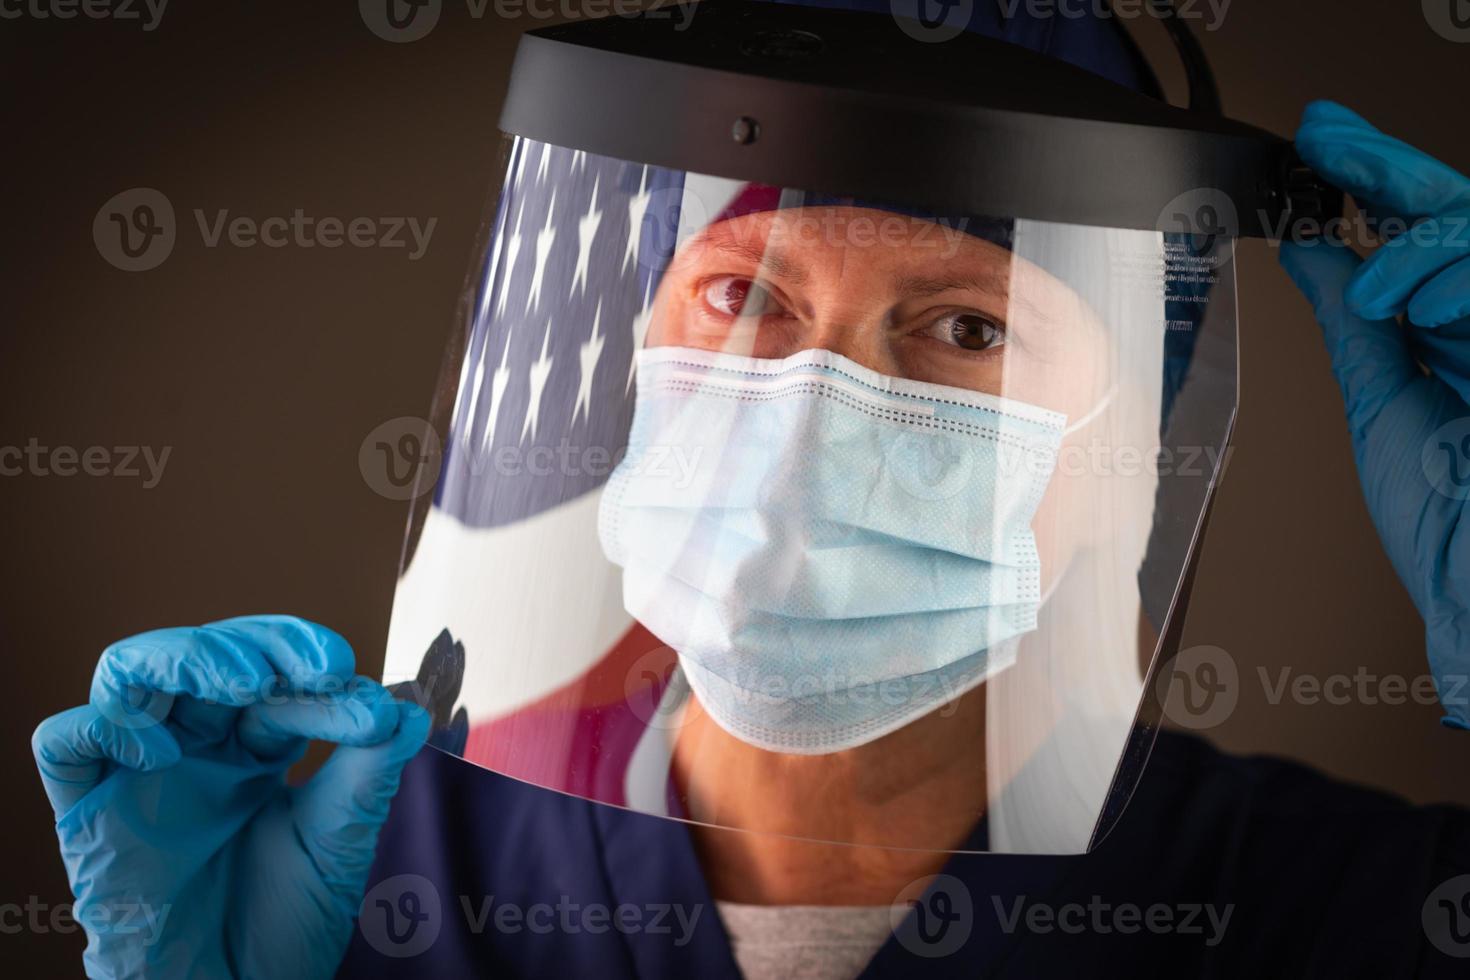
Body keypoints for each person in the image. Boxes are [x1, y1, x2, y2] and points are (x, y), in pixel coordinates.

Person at [30, 6, 1470, 978]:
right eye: (740, 297)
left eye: (968, 327)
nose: (798, 430)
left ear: (1121, 465)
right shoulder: (354, 873)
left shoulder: (1326, 904)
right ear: (639, 353)